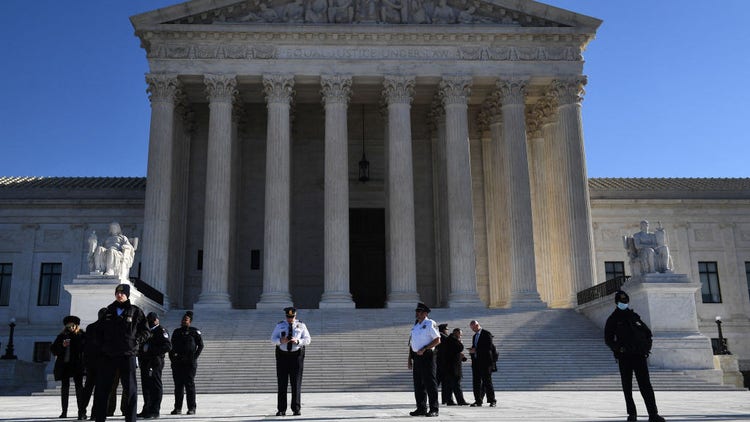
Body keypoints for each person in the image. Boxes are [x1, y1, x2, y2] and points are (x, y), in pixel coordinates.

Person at [605, 290, 666, 422]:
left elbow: (647, 333)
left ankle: (653, 414)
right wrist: (619, 348)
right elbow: (608, 339)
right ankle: (632, 414)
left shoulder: (634, 316)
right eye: (622, 302)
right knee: (627, 386)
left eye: (626, 302)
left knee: (646, 385)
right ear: (617, 303)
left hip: (639, 355)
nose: (624, 304)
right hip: (624, 356)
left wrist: (646, 348)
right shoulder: (613, 319)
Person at [93, 283, 150, 422]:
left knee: (130, 390)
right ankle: (99, 418)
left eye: (122, 293)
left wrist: (136, 341)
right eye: (117, 293)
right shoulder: (108, 311)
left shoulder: (136, 311)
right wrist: (102, 347)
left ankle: (130, 419)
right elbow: (97, 332)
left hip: (127, 355)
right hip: (109, 356)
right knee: (103, 389)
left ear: (127, 295)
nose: (119, 295)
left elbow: (146, 331)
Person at [271, 307, 312, 416]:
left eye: (292, 317)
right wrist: (281, 340)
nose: (290, 319)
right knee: (282, 383)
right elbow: (272, 339)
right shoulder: (280, 325)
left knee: (296, 383)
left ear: (295, 315)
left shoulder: (301, 325)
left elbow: (308, 339)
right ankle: (281, 409)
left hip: (296, 356)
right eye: (288, 317)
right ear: (286, 316)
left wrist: (297, 340)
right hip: (282, 356)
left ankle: (296, 408)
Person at [407, 302, 441, 417]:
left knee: (430, 384)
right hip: (417, 357)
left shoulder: (430, 323)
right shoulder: (416, 325)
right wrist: (410, 358)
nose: (417, 313)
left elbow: (437, 340)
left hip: (427, 356)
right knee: (418, 384)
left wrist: (425, 348)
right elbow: (412, 343)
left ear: (425, 313)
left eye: (419, 311)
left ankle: (434, 409)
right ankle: (421, 408)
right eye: (416, 311)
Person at [51, 315, 86, 419]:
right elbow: (53, 349)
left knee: (79, 388)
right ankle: (64, 412)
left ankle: (81, 411)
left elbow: (85, 348)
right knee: (64, 388)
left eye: (72, 326)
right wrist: (62, 345)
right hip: (65, 365)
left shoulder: (81, 335)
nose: (70, 328)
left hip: (77, 365)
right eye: (68, 326)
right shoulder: (62, 336)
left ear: (76, 326)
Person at [169, 311, 203, 415]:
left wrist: (194, 358)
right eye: (183, 319)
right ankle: (177, 408)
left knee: (189, 385)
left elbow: (200, 345)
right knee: (178, 386)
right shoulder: (177, 332)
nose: (184, 321)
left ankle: (191, 408)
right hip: (178, 362)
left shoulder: (195, 332)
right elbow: (171, 347)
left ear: (190, 321)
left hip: (189, 363)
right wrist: (172, 359)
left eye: (186, 320)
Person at [138, 312, 171, 419]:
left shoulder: (161, 331)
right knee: (146, 387)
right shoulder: (145, 331)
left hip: (155, 362)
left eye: (152, 320)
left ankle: (155, 410)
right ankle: (146, 408)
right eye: (149, 321)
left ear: (157, 320)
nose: (151, 323)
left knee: (155, 386)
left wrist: (151, 350)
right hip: (145, 362)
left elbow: (167, 346)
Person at [81, 308, 107, 420]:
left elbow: (86, 347)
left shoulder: (90, 327)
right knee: (99, 390)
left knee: (88, 389)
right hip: (102, 363)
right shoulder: (107, 329)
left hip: (91, 363)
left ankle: (81, 412)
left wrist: (85, 363)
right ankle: (95, 413)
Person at [468, 319, 497, 407]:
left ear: (477, 325)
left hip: (485, 362)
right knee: (476, 382)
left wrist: (476, 350)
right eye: (471, 328)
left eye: (473, 328)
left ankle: (492, 400)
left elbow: (488, 347)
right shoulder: (474, 336)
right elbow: (475, 346)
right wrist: (472, 350)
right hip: (476, 363)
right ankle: (478, 400)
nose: (473, 330)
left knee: (487, 382)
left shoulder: (486, 334)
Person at [442, 328, 469, 406]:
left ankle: (449, 401)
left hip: (449, 366)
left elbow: (455, 352)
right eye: (460, 334)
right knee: (457, 384)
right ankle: (461, 401)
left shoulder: (448, 340)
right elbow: (460, 348)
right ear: (456, 333)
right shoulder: (452, 341)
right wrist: (460, 342)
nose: (461, 336)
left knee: (449, 385)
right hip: (453, 367)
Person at [435, 323, 449, 405]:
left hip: (439, 363)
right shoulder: (442, 336)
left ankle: (445, 399)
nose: (447, 331)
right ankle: (445, 399)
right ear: (444, 330)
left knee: (440, 383)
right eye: (447, 329)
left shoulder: (439, 335)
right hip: (442, 364)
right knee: (444, 383)